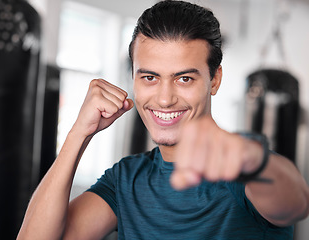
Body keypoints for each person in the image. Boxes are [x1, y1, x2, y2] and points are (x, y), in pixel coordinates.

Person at [17, 1, 309, 239]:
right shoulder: (125, 181)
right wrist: (78, 134)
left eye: (184, 78)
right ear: (133, 78)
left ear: (214, 80)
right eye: (149, 77)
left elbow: (294, 204)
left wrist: (255, 163)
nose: (165, 98)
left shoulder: (242, 170)